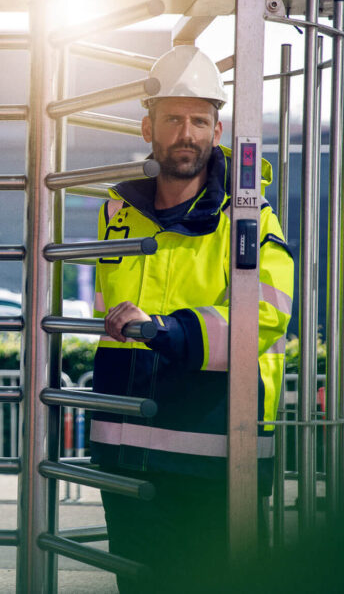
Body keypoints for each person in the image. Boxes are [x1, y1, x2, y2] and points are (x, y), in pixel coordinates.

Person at [90, 46, 295, 593]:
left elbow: (269, 314)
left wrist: (166, 330)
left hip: (216, 448)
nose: (187, 133)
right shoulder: (116, 214)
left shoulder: (250, 217)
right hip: (125, 447)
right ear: (147, 127)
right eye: (173, 118)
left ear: (218, 129)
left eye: (199, 120)